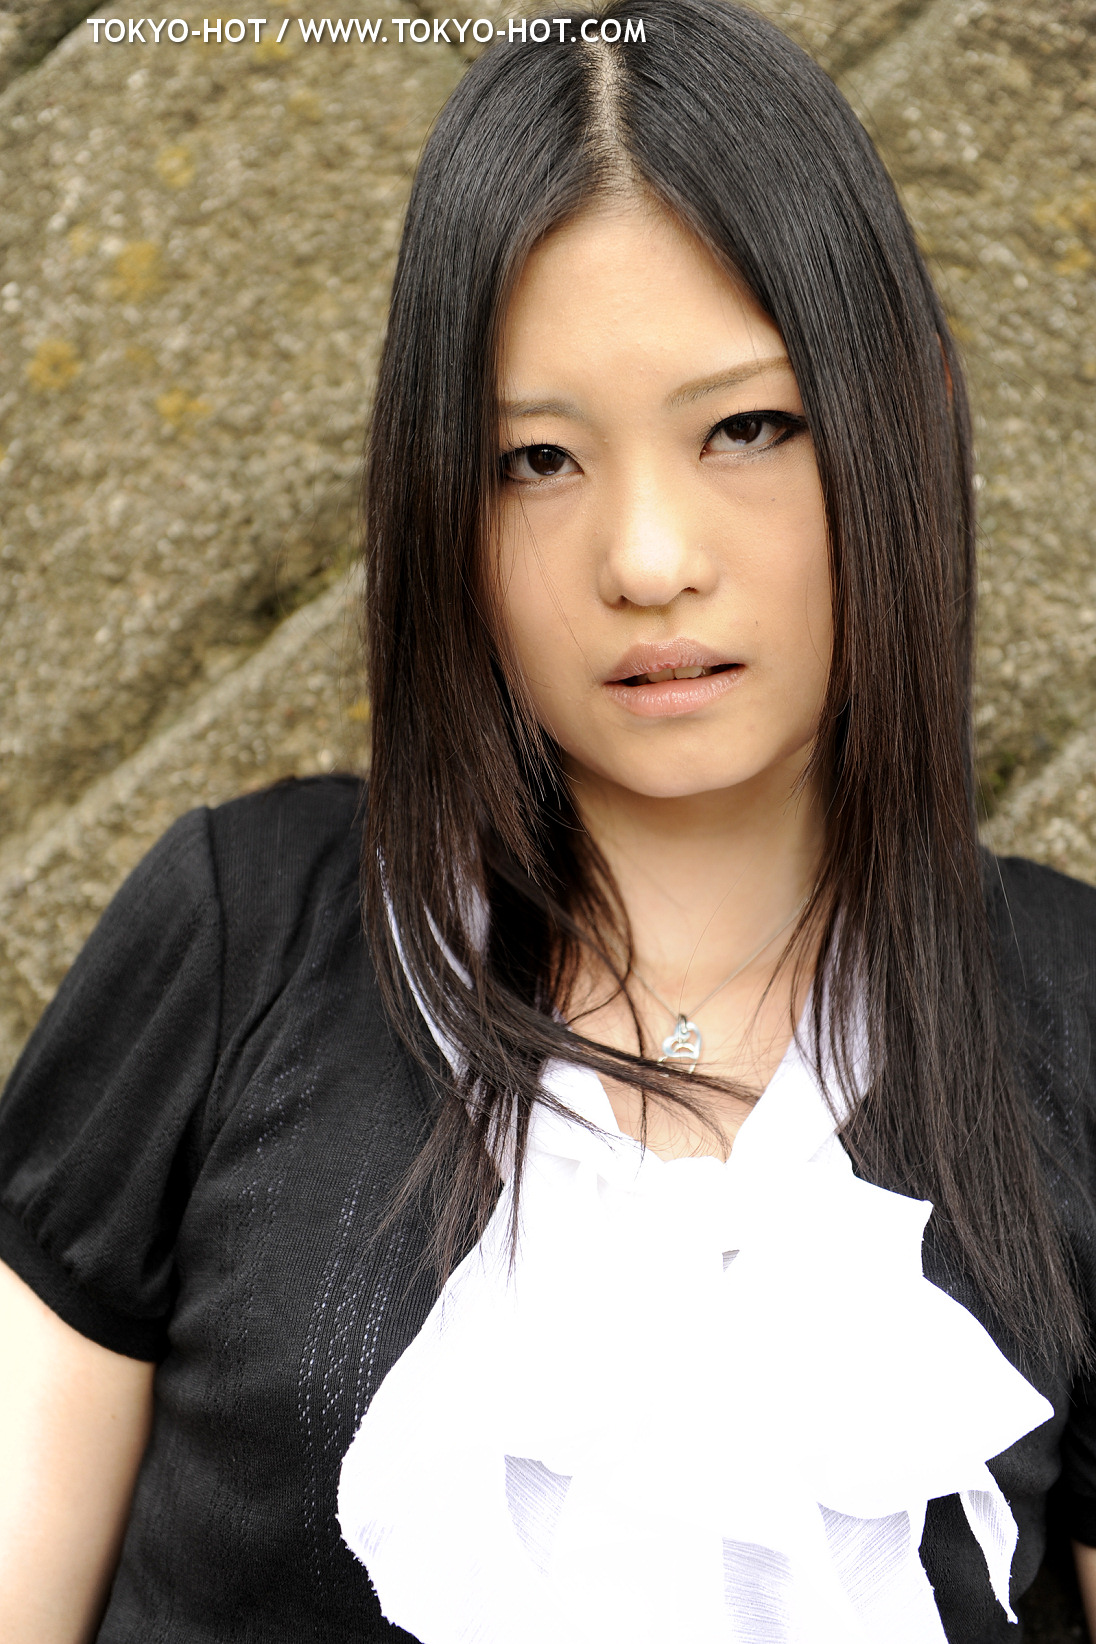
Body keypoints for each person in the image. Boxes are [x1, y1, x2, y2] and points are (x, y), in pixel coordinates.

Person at [2, 1, 1096, 1639]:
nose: (648, 559)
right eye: (535, 459)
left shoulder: (1073, 1019)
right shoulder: (242, 940)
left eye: (748, 428)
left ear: (905, 419)